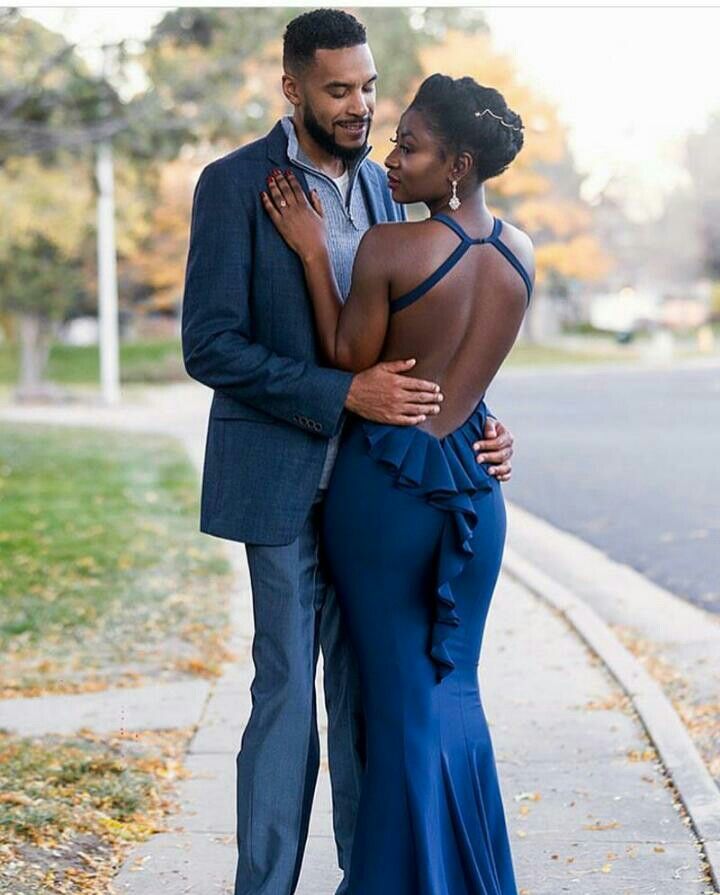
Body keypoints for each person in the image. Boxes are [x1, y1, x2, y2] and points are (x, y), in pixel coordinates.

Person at [182, 10, 517, 895]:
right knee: (290, 697)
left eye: (368, 87)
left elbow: (433, 323)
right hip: (283, 484)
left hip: (383, 495)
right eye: (338, 90)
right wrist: (342, 393)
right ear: (291, 87)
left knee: (370, 697)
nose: (360, 105)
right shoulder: (232, 184)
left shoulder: (388, 190)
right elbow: (209, 345)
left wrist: (481, 418)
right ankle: (266, 887)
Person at [262, 65, 533, 895]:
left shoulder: (392, 246)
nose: (391, 155)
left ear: (456, 164)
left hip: (386, 491)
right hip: (476, 492)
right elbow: (472, 378)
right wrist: (490, 423)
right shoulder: (519, 251)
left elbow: (349, 359)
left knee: (399, 701)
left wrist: (313, 253)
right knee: (455, 691)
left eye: (409, 147)